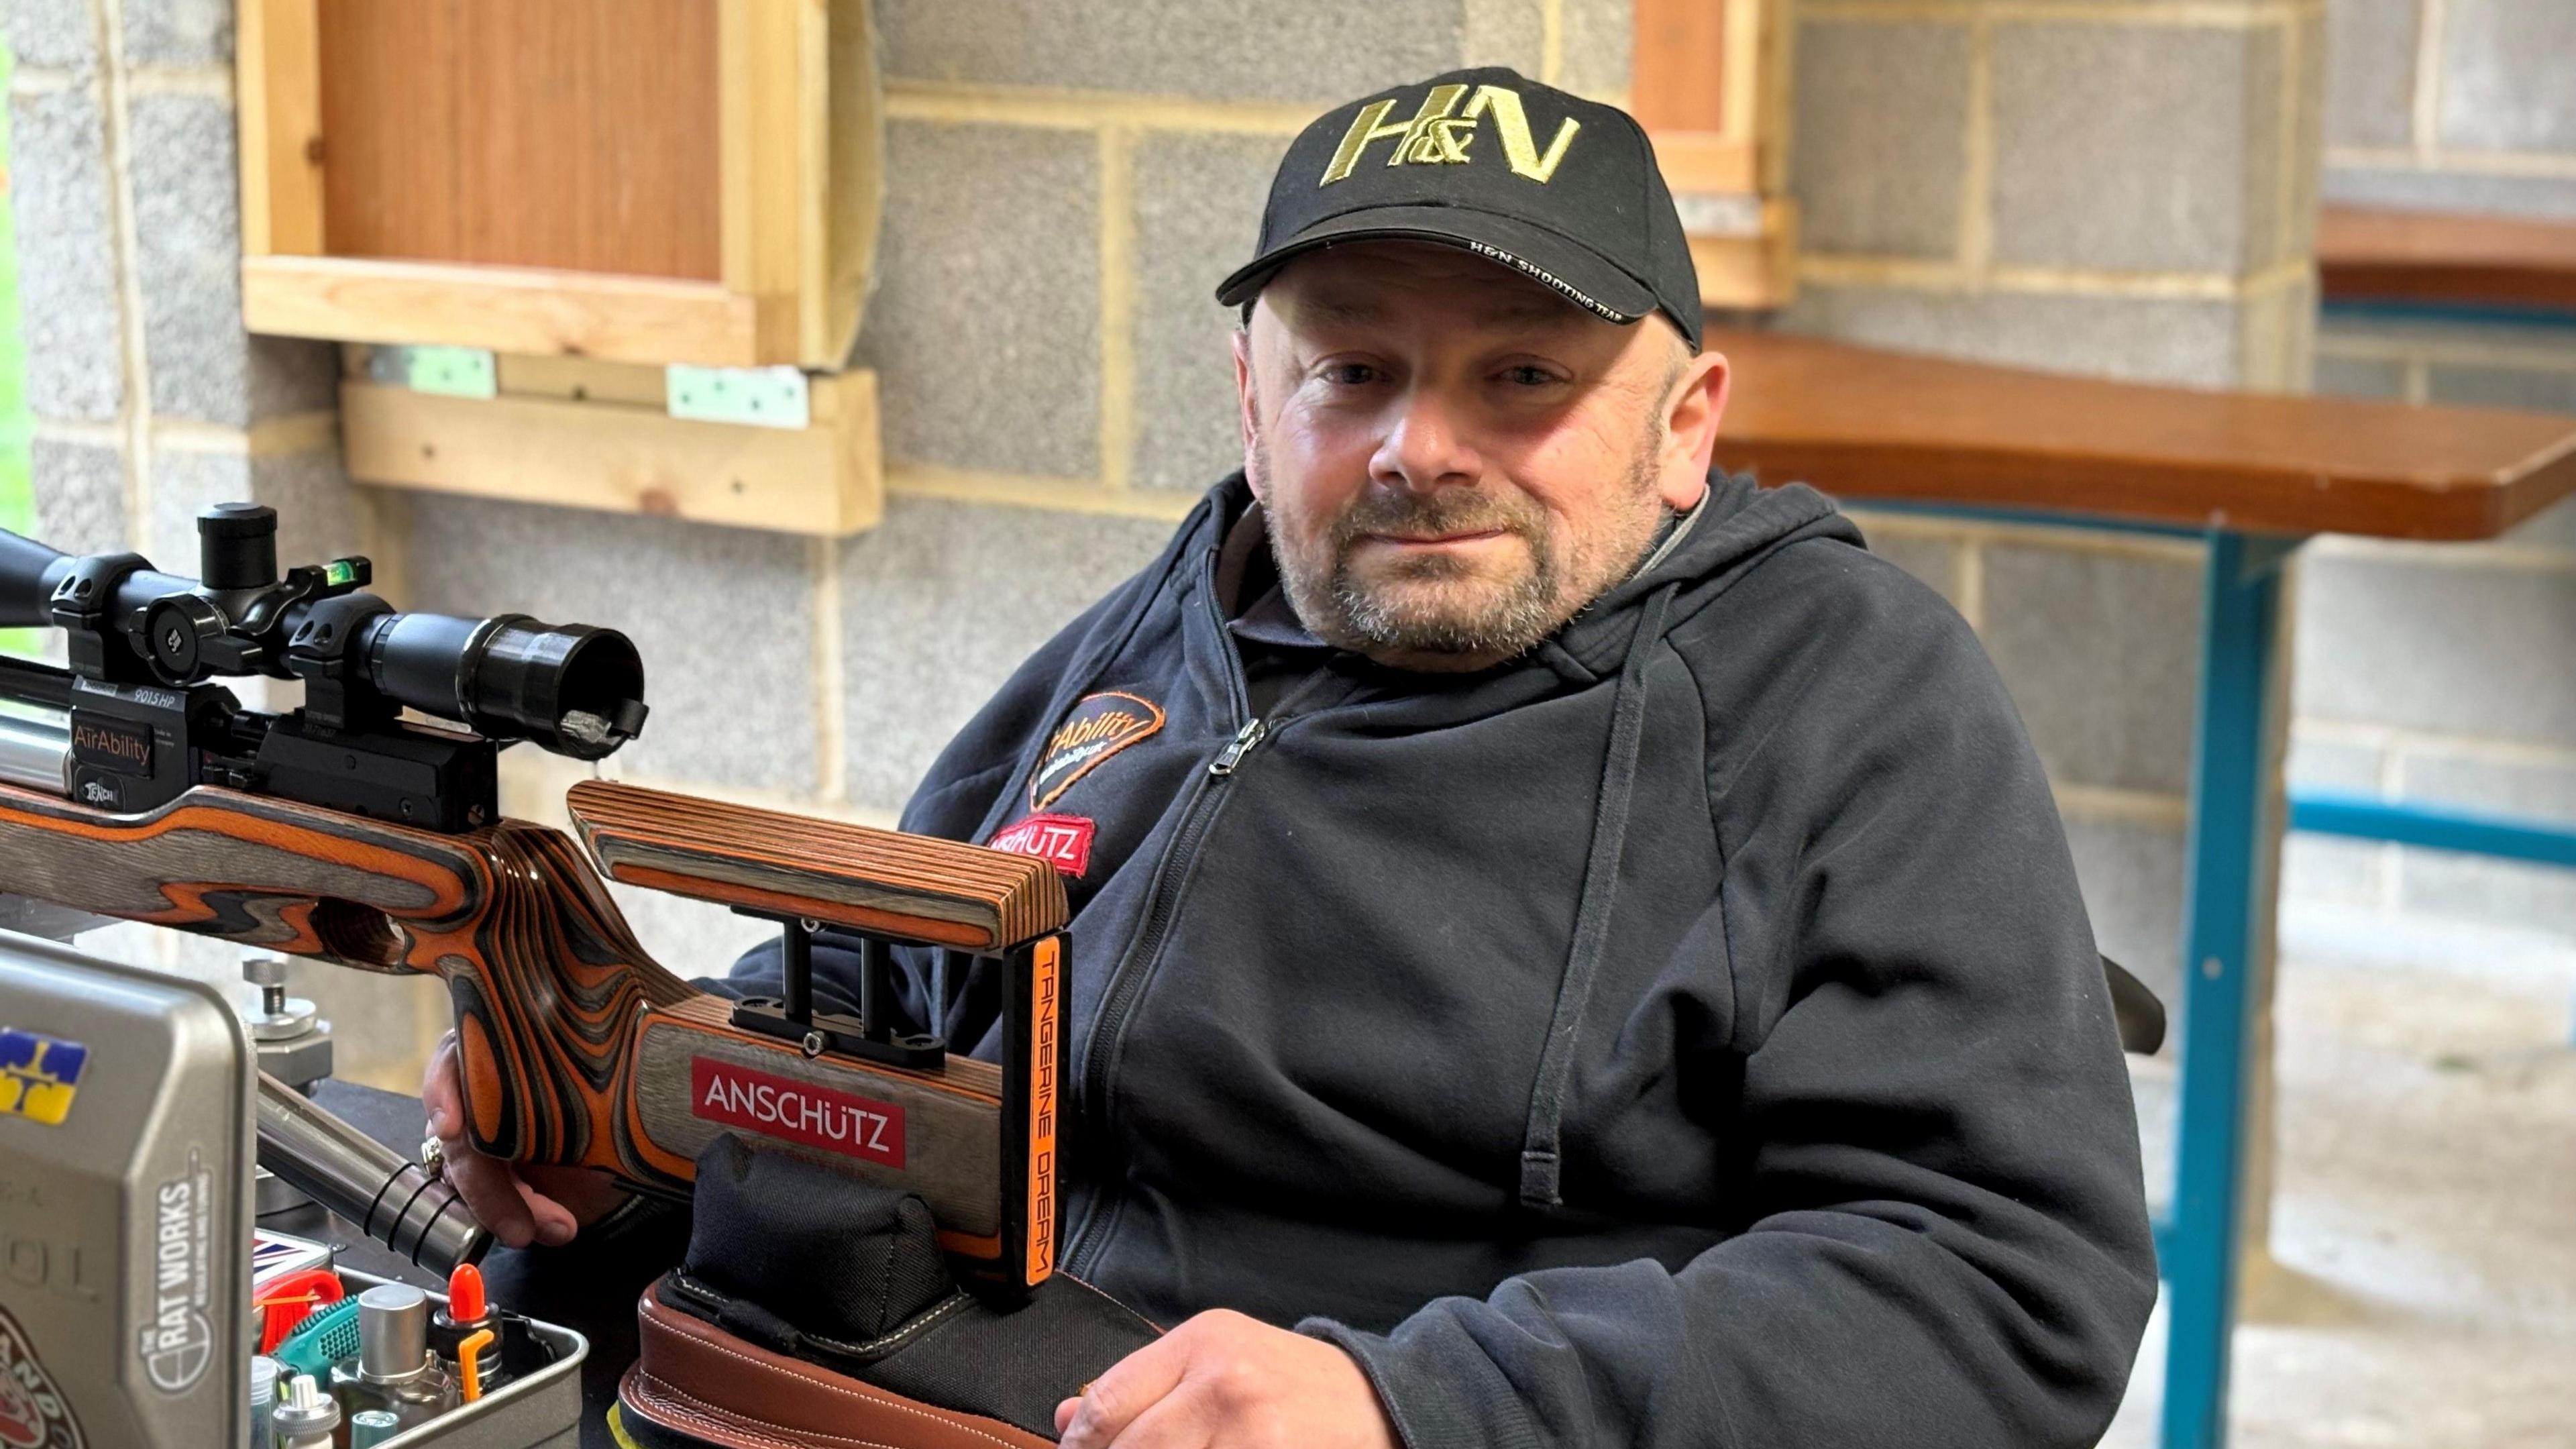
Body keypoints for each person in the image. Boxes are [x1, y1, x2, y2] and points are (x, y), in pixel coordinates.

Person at [426, 66, 2157, 1448]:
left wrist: (1418, 1409)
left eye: (1525, 376)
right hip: (924, 1375)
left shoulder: (1844, 697)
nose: (1421, 448)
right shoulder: (1162, 627)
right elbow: (893, 969)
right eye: (1354, 373)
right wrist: (633, 1099)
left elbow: (2002, 1283)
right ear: (1254, 405)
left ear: (1685, 423)